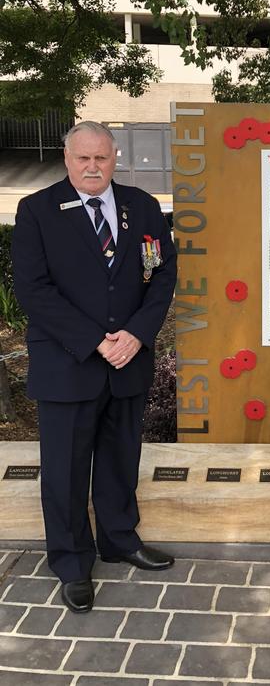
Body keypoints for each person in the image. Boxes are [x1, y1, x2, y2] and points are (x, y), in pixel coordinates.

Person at [11, 121, 177, 614]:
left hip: (127, 360)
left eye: (101, 158)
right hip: (69, 363)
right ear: (66, 159)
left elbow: (162, 273)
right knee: (63, 471)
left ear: (115, 159)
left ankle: (119, 540)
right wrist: (95, 341)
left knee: (120, 459)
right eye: (83, 158)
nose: (92, 167)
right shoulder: (37, 211)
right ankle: (71, 562)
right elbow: (33, 290)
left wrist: (136, 334)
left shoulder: (141, 206)